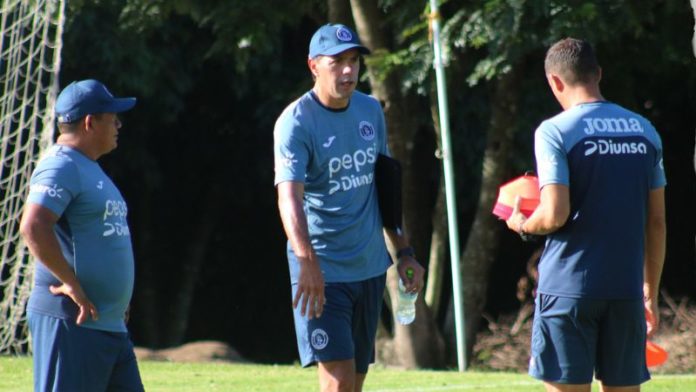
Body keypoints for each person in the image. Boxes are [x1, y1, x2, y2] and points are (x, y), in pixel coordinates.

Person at [505, 38, 667, 392]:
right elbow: (656, 222)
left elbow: (555, 214)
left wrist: (521, 224)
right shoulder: (645, 131)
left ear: (555, 82)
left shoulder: (554, 131)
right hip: (624, 289)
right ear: (599, 74)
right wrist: (648, 292)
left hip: (569, 288)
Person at [273, 24, 425, 392]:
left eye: (354, 61)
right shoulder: (295, 122)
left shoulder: (370, 110)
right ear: (314, 66)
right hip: (322, 270)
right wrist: (306, 260)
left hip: (369, 266)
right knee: (338, 382)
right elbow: (288, 196)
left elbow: (385, 187)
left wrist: (404, 251)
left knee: (355, 381)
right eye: (337, 62)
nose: (348, 71)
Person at [20, 79, 144, 392]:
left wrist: (117, 299)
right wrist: (72, 284)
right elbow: (33, 225)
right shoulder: (61, 165)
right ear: (90, 122)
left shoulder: (89, 168)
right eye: (111, 116)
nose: (118, 123)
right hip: (72, 323)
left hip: (108, 324)